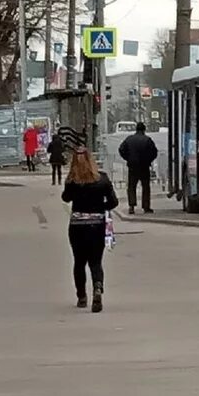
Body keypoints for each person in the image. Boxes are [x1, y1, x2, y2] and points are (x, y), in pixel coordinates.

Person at [61, 147, 118, 312]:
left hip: (77, 225)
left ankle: (81, 297)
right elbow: (113, 202)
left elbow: (65, 198)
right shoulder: (102, 179)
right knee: (95, 261)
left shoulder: (72, 180)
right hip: (97, 224)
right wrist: (101, 207)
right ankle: (98, 287)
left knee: (79, 261)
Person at [118, 121, 158, 215]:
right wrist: (148, 160)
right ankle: (146, 207)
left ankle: (131, 206)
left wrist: (128, 158)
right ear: (144, 130)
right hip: (144, 166)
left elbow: (121, 149)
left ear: (136, 129)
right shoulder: (147, 140)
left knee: (132, 186)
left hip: (132, 166)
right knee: (146, 187)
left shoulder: (129, 139)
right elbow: (154, 152)